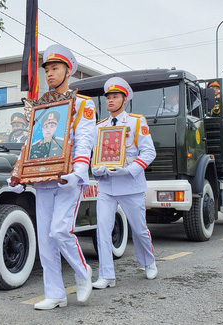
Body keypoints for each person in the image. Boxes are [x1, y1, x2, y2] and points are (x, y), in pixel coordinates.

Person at [9, 44, 97, 310]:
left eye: (55, 68)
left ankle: (83, 273)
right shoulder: (41, 108)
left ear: (68, 71)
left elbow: (84, 141)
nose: (49, 73)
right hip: (43, 181)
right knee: (45, 238)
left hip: (68, 178)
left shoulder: (83, 104)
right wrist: (17, 173)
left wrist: (78, 172)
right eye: (46, 69)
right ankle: (55, 293)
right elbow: (30, 144)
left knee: (60, 230)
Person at [91, 77, 157, 289]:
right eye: (108, 97)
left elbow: (149, 152)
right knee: (102, 229)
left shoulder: (137, 122)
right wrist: (96, 169)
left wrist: (129, 170)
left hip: (130, 183)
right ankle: (106, 275)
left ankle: (148, 262)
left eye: (115, 96)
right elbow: (95, 155)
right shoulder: (99, 126)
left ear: (124, 99)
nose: (110, 100)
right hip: (107, 186)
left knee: (139, 229)